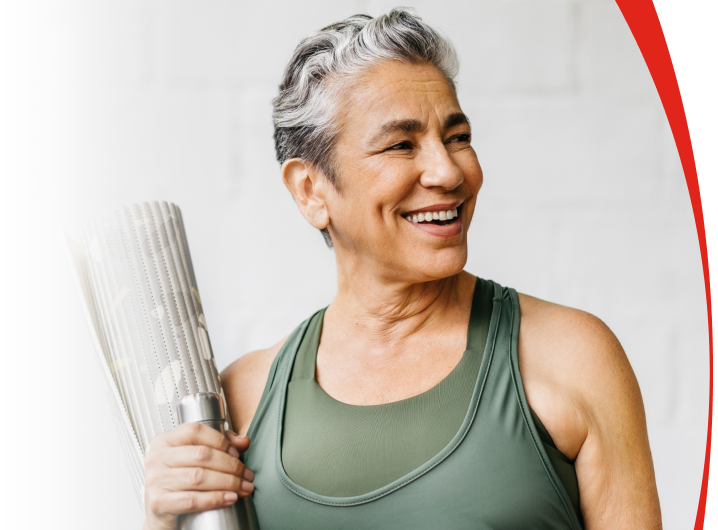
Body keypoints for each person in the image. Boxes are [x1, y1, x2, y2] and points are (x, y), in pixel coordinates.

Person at [143, 10, 662, 530]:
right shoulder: (244, 398)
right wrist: (163, 522)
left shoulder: (571, 358)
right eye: (400, 145)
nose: (449, 171)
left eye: (457, 136)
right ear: (310, 190)